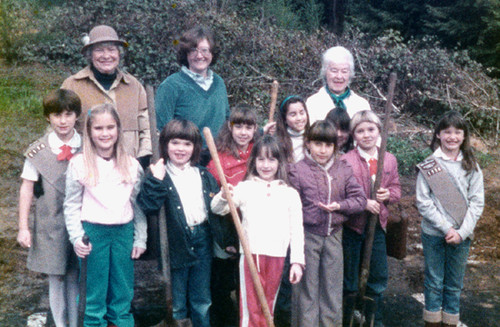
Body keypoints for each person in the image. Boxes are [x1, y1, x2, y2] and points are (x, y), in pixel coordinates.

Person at [64, 103, 147, 327]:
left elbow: (137, 205)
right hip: (93, 232)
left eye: (110, 127)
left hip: (123, 231)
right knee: (94, 289)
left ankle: (121, 322)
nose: (105, 133)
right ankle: (93, 323)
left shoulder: (131, 165)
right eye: (98, 128)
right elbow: (71, 204)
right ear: (89, 132)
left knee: (122, 286)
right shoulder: (79, 164)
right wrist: (76, 236)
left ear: (118, 130)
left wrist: (140, 237)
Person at [211, 135, 305, 327]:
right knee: (250, 306)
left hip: (277, 257)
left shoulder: (290, 193)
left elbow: (297, 230)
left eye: (271, 159)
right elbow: (217, 209)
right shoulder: (245, 188)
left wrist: (297, 262)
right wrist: (223, 195)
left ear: (280, 162)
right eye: (261, 159)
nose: (266, 165)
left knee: (268, 305)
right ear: (253, 161)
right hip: (251, 256)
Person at [136, 119, 218, 327]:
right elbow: (148, 206)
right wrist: (155, 180)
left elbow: (216, 209)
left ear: (195, 147)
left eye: (187, 144)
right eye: (175, 143)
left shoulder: (203, 175)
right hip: (175, 243)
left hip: (202, 239)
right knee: (177, 301)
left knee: (202, 300)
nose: (181, 149)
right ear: (165, 145)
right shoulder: (158, 174)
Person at [289, 120, 366, 327]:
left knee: (332, 289)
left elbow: (360, 200)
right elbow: (291, 206)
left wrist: (339, 206)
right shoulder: (297, 170)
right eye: (317, 144)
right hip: (307, 236)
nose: (322, 150)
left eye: (328, 145)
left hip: (334, 236)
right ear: (308, 144)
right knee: (307, 290)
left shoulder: (343, 168)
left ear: (335, 146)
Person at [17, 89, 82, 327]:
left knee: (76, 275)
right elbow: (26, 189)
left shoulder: (87, 145)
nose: (63, 121)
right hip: (50, 222)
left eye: (68, 114)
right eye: (56, 115)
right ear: (48, 117)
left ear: (77, 116)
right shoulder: (38, 151)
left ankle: (75, 323)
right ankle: (60, 323)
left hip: (81, 221)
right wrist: (23, 227)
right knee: (56, 277)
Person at [416, 111, 484, 327]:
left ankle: (450, 323)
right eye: (447, 132)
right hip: (434, 234)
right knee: (434, 282)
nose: (452, 137)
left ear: (464, 137)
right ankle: (432, 322)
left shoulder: (472, 165)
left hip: (462, 235)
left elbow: (477, 202)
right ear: (438, 135)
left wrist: (461, 232)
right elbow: (423, 202)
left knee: (454, 284)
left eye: (457, 132)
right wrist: (446, 228)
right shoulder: (429, 164)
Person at [341, 110, 401, 327]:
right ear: (353, 135)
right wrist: (363, 203)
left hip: (377, 228)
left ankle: (375, 320)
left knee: (377, 276)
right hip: (353, 227)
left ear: (379, 131)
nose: (366, 135)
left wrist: (388, 195)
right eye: (360, 131)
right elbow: (340, 193)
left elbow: (396, 189)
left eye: (371, 129)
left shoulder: (389, 159)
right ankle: (348, 316)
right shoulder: (345, 161)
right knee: (350, 277)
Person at [61, 25, 152, 166]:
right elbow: (59, 128)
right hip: (86, 172)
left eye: (111, 49)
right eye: (99, 50)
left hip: (129, 172)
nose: (106, 56)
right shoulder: (72, 86)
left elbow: (147, 129)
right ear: (90, 55)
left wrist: (142, 159)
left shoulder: (134, 86)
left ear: (119, 54)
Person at [206, 104, 259, 327]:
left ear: (256, 129)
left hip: (255, 229)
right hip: (227, 230)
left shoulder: (260, 154)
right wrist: (228, 240)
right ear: (230, 127)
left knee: (250, 284)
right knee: (224, 285)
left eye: (249, 127)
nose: (243, 132)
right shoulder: (218, 159)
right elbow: (213, 206)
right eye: (239, 126)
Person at [155, 26, 230, 165]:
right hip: (185, 161)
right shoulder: (171, 85)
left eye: (204, 50)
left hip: (218, 159)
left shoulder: (219, 83)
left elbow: (228, 121)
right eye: (193, 50)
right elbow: (162, 130)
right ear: (185, 54)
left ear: (212, 53)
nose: (199, 55)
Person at [306, 46, 371, 124]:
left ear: (350, 74)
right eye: (334, 70)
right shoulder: (313, 103)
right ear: (325, 72)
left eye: (344, 71)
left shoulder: (362, 104)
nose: (339, 76)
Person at [271, 95, 310, 163]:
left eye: (302, 113)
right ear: (284, 119)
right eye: (293, 114)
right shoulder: (277, 142)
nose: (299, 118)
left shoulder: (313, 137)